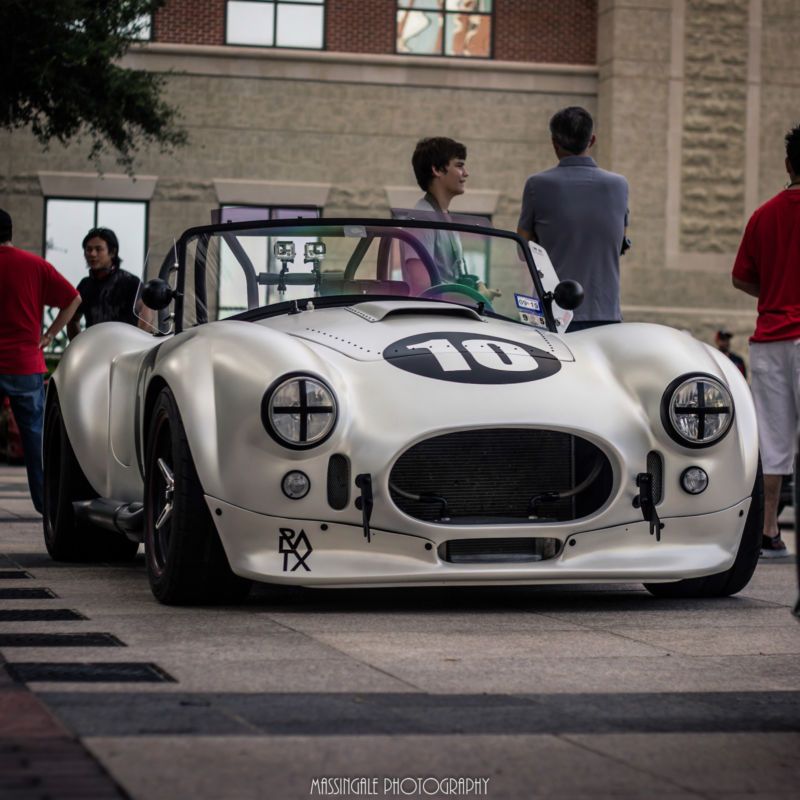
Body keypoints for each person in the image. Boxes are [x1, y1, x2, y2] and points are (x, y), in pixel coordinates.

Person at [731, 122, 800, 558]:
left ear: (789, 163)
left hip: (770, 338)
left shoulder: (764, 214)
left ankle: (768, 528)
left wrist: (775, 290)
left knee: (772, 441)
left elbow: (741, 278)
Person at [517, 106, 629, 331]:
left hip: (552, 314)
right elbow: (619, 243)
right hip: (605, 313)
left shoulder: (537, 185)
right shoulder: (619, 186)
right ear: (592, 140)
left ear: (554, 142)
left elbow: (522, 251)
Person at [0, 208, 81, 513]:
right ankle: (47, 504)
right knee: (35, 439)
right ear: (11, 232)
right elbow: (74, 298)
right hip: (24, 364)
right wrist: (49, 335)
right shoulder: (35, 266)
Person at [409, 137, 499, 301]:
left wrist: (475, 286)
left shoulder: (442, 216)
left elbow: (446, 277)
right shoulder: (422, 217)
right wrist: (473, 296)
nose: (466, 173)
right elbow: (420, 282)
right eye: (459, 165)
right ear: (437, 169)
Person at [67, 227, 147, 339]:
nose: (92, 254)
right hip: (95, 351)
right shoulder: (85, 285)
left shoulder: (130, 281)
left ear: (113, 252)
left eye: (98, 249)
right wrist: (78, 346)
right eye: (88, 249)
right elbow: (72, 319)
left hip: (125, 349)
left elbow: (147, 312)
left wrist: (138, 343)